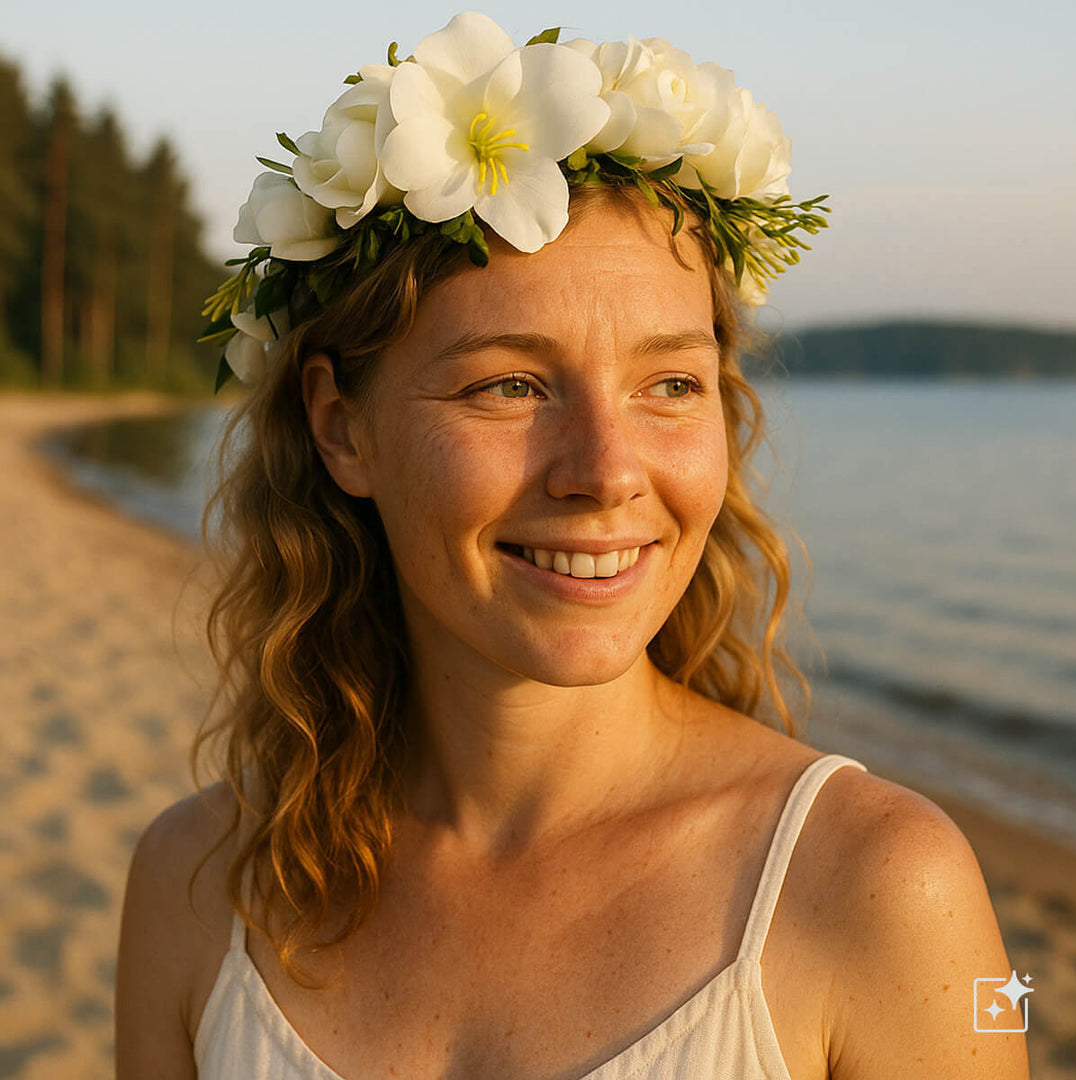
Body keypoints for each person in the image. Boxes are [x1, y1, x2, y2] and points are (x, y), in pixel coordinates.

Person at [115, 13, 1028, 1079]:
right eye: (510, 385)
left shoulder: (877, 888)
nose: (605, 469)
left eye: (669, 385)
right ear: (341, 427)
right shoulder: (197, 885)